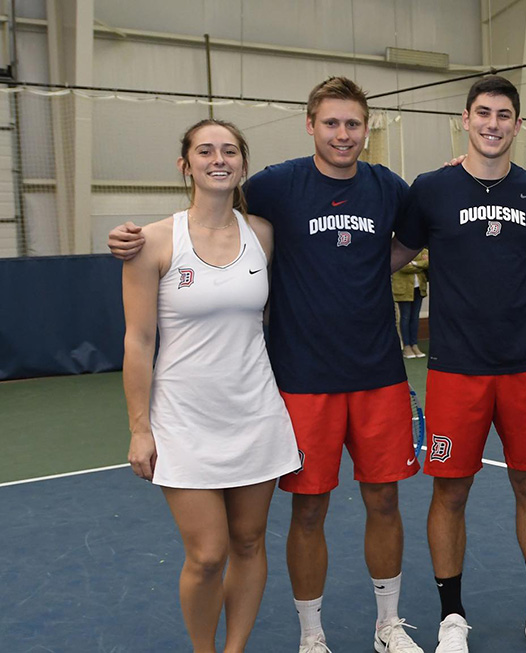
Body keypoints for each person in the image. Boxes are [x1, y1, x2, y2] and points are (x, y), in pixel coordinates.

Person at [109, 77, 424, 653]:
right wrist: (132, 236)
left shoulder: (383, 188)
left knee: (380, 502)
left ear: (367, 129)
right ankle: (311, 634)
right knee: (299, 513)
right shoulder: (276, 190)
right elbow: (202, 211)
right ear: (310, 125)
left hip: (364, 378)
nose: (342, 134)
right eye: (331, 122)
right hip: (297, 384)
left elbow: (428, 223)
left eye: (353, 123)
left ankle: (388, 624)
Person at [390, 75, 526, 653]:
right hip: (453, 371)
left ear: (517, 125)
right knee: (449, 492)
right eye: (483, 113)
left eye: (504, 115)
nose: (493, 124)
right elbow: (388, 253)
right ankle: (451, 618)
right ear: (465, 120)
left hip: (525, 367)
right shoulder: (431, 189)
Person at [122, 119, 301, 653]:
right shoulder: (152, 240)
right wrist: (139, 429)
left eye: (229, 151)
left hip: (255, 415)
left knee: (248, 542)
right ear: (186, 165)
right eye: (205, 151)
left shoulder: (263, 235)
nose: (218, 159)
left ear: (243, 164)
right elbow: (137, 342)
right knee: (206, 554)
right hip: (182, 421)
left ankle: (235, 649)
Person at [393, 249, 429, 358]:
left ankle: (414, 344)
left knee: (415, 317)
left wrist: (413, 263)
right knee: (405, 317)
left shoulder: (423, 249)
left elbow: (428, 262)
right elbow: (403, 267)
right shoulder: (398, 251)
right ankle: (406, 346)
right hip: (403, 288)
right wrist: (420, 265)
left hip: (419, 288)